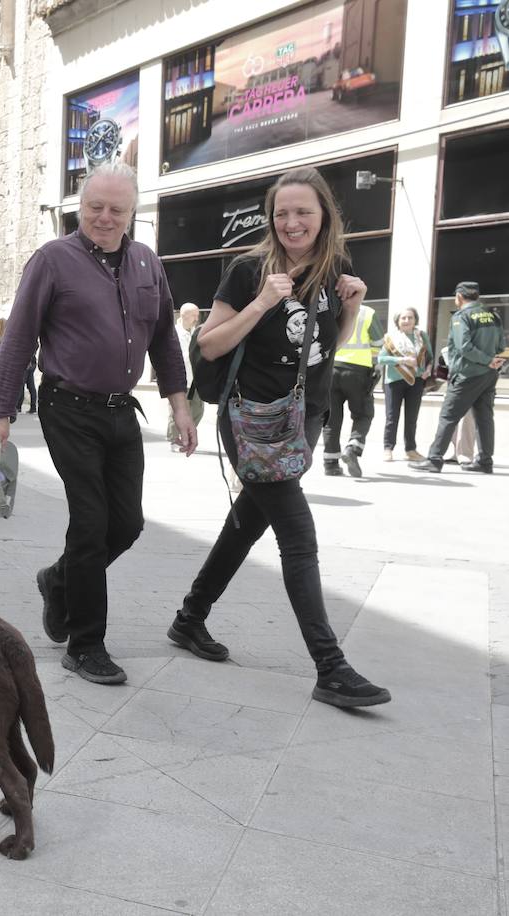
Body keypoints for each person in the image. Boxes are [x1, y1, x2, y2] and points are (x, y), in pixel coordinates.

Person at [176, 166, 390, 707]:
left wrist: (353, 306)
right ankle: (330, 666)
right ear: (272, 218)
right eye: (283, 213)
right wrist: (262, 304)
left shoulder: (333, 268)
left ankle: (188, 619)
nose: (292, 223)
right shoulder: (248, 270)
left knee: (246, 524)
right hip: (252, 420)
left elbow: (327, 344)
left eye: (304, 213)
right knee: (297, 534)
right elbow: (211, 344)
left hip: (304, 418)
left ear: (324, 218)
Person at [0, 161, 197, 686]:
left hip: (122, 411)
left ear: (132, 213)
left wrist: (180, 404)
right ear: (80, 207)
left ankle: (58, 581)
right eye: (95, 207)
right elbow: (20, 337)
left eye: (116, 209)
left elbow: (166, 338)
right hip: (68, 409)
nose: (104, 217)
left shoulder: (148, 263)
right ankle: (86, 643)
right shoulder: (53, 260)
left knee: (127, 525)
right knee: (91, 521)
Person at [410, 281, 506, 473]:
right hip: (489, 376)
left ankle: (435, 458)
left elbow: (464, 347)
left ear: (460, 297)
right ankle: (485, 461)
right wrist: (495, 361)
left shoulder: (461, 317)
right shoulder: (494, 316)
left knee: (448, 416)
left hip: (466, 375)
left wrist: (487, 360)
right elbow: (501, 347)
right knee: (485, 418)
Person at [321, 298, 383, 477]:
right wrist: (375, 363)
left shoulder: (333, 309)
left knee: (331, 418)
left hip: (332, 369)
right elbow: (378, 342)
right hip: (358, 371)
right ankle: (353, 448)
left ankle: (330, 464)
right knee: (363, 413)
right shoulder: (368, 312)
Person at [377, 306, 432, 462]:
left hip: (417, 380)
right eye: (403, 318)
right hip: (394, 381)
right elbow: (381, 359)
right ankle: (388, 448)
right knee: (392, 416)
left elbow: (429, 356)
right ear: (398, 321)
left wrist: (427, 369)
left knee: (412, 417)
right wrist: (402, 360)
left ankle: (411, 450)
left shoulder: (422, 336)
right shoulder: (390, 338)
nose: (407, 320)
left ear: (415, 320)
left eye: (410, 318)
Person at [168, 303, 206, 451]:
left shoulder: (194, 332)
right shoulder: (174, 333)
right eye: (194, 315)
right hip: (179, 380)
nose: (197, 318)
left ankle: (188, 434)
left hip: (195, 379)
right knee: (177, 410)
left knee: (198, 409)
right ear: (184, 315)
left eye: (197, 315)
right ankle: (175, 439)